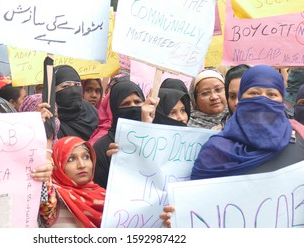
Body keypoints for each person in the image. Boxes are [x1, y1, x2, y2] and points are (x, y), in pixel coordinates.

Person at [160, 65, 304, 227]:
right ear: (241, 99)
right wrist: (181, 217)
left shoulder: (300, 138)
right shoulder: (215, 150)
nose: (263, 99)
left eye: (271, 94)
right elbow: (197, 209)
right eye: (254, 93)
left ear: (282, 99)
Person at [93, 80, 158, 189]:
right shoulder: (102, 147)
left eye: (137, 102)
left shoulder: (155, 139)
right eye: (125, 104)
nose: (133, 107)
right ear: (114, 109)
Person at [38, 136, 106, 228]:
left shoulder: (105, 197)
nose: (82, 165)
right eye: (71, 159)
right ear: (57, 164)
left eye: (86, 157)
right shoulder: (53, 197)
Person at [54, 65, 98, 141]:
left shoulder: (92, 112)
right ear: (52, 91)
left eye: (77, 85)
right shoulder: (49, 119)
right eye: (66, 86)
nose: (74, 90)